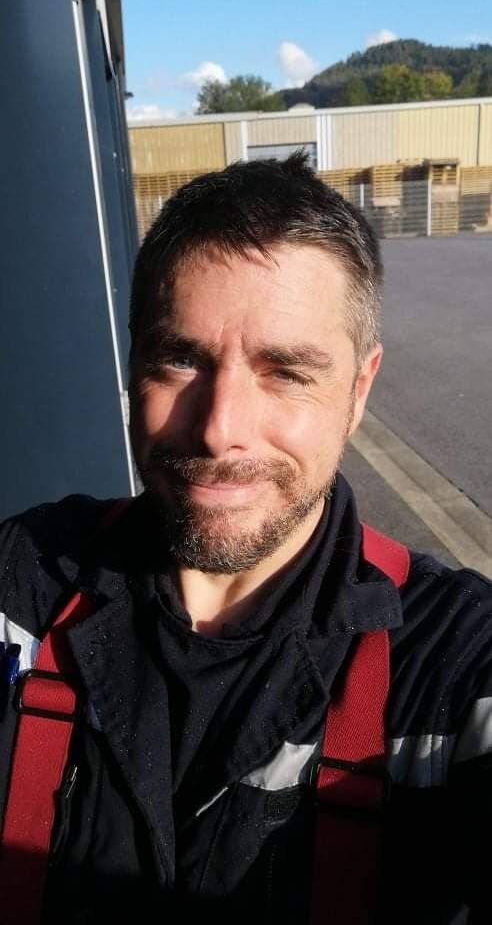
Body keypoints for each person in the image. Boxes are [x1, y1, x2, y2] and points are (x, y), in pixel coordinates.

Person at [0, 153, 491, 925]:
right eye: (181, 359)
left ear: (358, 390)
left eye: (286, 371)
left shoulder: (452, 663)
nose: (220, 428)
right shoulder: (22, 585)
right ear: (133, 360)